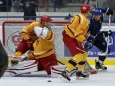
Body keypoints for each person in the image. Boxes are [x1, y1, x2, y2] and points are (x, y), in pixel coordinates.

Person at [59, 4, 94, 82]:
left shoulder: (79, 16)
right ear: (88, 11)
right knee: (78, 55)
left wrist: (87, 37)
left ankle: (79, 72)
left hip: (71, 36)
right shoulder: (84, 20)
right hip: (70, 36)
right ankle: (65, 72)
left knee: (84, 53)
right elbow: (77, 34)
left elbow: (78, 32)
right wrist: (84, 41)